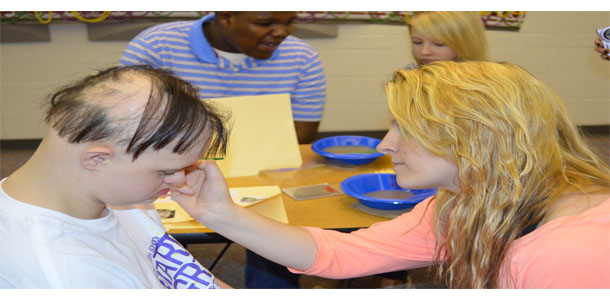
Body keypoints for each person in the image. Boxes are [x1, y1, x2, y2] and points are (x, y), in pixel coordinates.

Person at [171, 61, 610, 288]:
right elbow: (343, 254)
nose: (385, 145)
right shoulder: (468, 202)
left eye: (407, 129)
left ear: (476, 140)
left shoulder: (571, 251)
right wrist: (219, 213)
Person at [0, 65, 231, 288]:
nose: (180, 181)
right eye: (166, 172)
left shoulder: (116, 193)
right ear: (97, 159)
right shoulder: (63, 276)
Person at [119, 11, 326, 145]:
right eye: (266, 23)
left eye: (289, 22)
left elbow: (301, 138)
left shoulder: (302, 57)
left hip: (265, 169)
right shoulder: (156, 46)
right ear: (226, 17)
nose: (282, 32)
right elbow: (125, 124)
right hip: (174, 167)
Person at [405, 11, 489, 69]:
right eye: (417, 42)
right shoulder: (406, 76)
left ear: (466, 44)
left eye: (439, 44)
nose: (424, 51)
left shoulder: (486, 83)